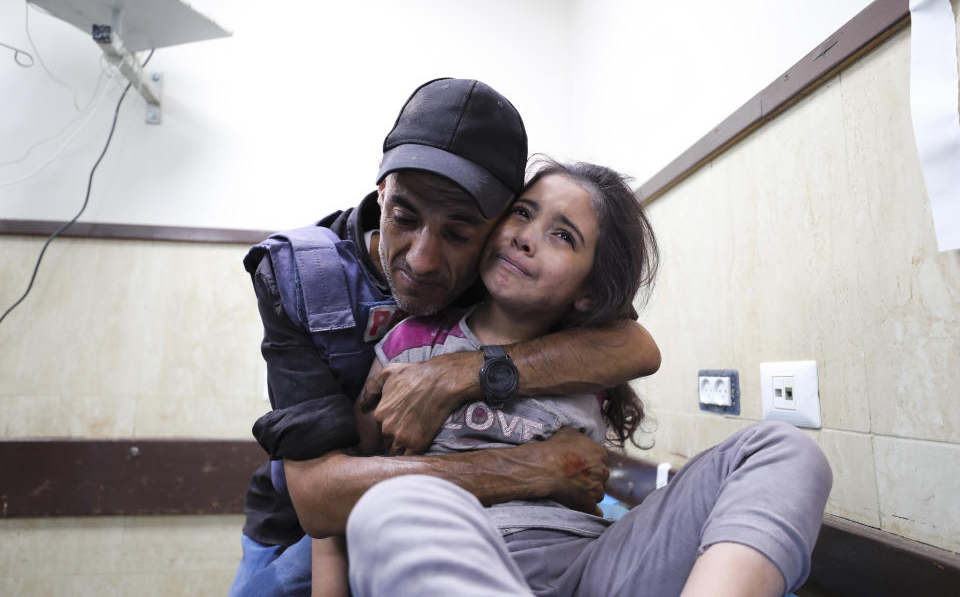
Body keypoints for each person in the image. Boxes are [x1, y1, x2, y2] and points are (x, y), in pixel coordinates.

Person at [228, 78, 662, 597]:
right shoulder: (301, 276)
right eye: (404, 218)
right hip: (313, 520)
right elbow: (321, 501)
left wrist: (457, 375)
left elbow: (635, 346)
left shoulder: (508, 269)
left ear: (497, 223)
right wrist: (528, 468)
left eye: (458, 233)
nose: (423, 261)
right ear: (381, 190)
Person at [345, 160, 835, 597]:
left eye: (563, 235)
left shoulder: (593, 357)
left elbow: (639, 346)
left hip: (591, 563)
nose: (524, 235)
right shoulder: (413, 339)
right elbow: (356, 462)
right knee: (390, 501)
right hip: (464, 556)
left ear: (587, 290)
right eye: (522, 213)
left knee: (784, 449)